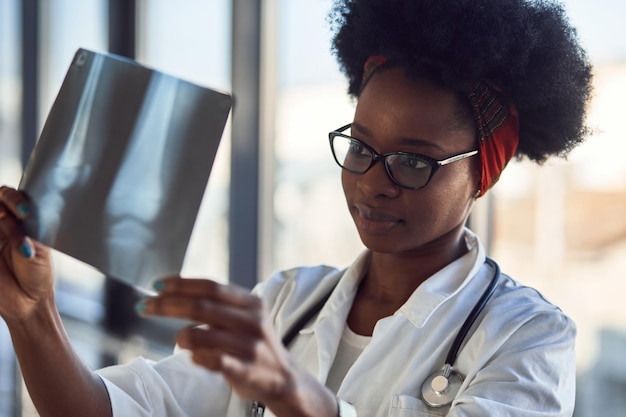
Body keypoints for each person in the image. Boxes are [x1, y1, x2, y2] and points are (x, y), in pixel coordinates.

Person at [0, 0, 592, 416]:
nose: (372, 182)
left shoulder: (528, 338)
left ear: (481, 174)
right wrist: (32, 314)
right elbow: (110, 412)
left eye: (414, 162)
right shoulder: (285, 302)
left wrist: (293, 394)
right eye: (360, 147)